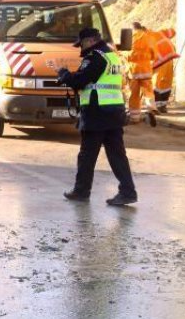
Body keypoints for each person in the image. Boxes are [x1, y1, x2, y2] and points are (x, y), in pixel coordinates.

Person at [57, 27, 138, 206]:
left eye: (82, 44)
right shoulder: (112, 56)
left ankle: (81, 191)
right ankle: (128, 192)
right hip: (114, 112)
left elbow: (80, 81)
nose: (81, 48)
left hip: (96, 113)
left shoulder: (95, 57)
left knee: (87, 155)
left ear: (90, 41)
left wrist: (63, 74)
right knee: (117, 155)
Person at [127, 22, 158, 125]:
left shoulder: (130, 37)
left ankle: (134, 118)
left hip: (134, 70)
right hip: (146, 69)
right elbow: (155, 55)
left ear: (132, 29)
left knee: (134, 94)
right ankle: (151, 108)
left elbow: (125, 54)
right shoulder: (149, 37)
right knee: (148, 91)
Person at [151, 27, 179, 113]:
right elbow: (173, 31)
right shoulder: (161, 33)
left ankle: (158, 106)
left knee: (157, 84)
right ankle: (163, 106)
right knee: (166, 84)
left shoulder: (147, 38)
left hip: (159, 63)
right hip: (169, 59)